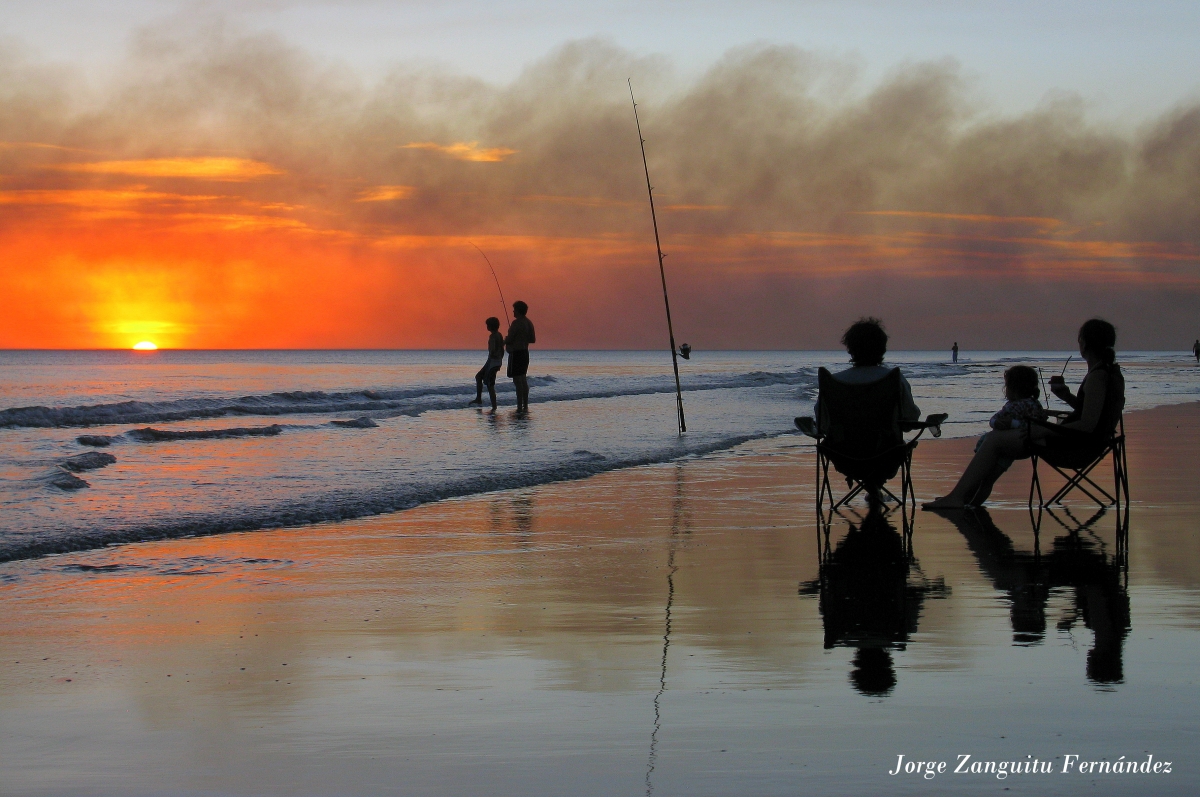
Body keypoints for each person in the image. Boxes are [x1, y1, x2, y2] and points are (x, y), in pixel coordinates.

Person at [924, 319, 1124, 510]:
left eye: (1080, 339)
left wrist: (1043, 431)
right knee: (999, 444)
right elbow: (1092, 414)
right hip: (1083, 443)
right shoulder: (1108, 372)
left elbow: (1087, 425)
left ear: (1086, 343)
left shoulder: (1098, 377)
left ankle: (957, 497)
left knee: (994, 440)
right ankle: (970, 497)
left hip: (1075, 448)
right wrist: (1066, 397)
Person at [814, 317, 920, 426]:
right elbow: (910, 418)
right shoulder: (894, 378)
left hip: (840, 442)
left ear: (850, 349)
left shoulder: (834, 381)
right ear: (883, 349)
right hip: (886, 442)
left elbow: (822, 422)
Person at [468, 316, 505, 411]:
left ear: (490, 326)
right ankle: (479, 399)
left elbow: (493, 350)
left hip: (493, 362)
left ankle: (494, 406)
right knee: (479, 377)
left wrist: (494, 355)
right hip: (492, 362)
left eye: (487, 325)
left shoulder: (493, 336)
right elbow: (501, 349)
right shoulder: (499, 335)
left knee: (490, 384)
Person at [505, 300, 536, 412]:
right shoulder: (529, 323)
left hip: (516, 353)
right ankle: (525, 405)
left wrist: (505, 340)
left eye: (514, 309)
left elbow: (509, 338)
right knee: (523, 379)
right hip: (525, 353)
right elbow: (532, 339)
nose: (513, 311)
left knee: (517, 381)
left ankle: (519, 406)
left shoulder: (516, 323)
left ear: (518, 310)